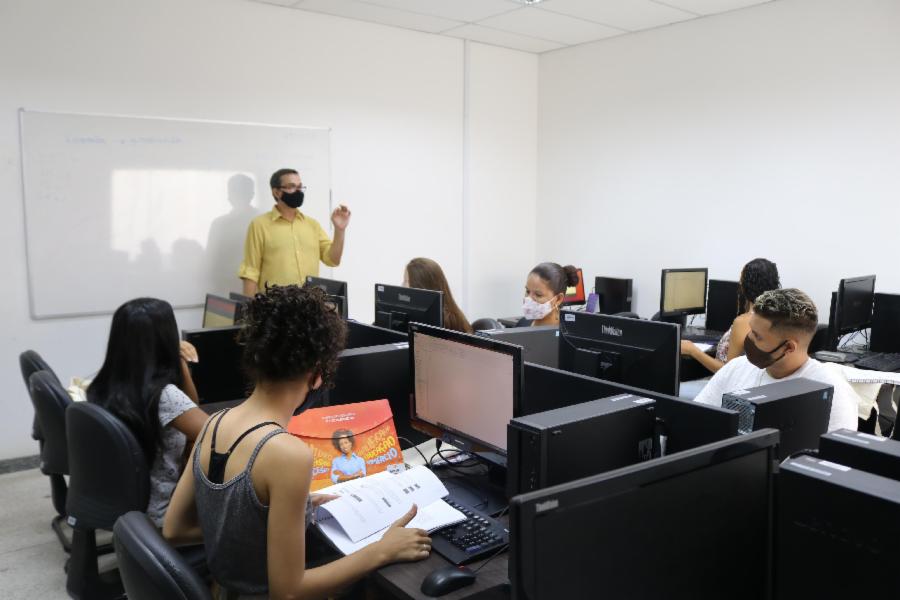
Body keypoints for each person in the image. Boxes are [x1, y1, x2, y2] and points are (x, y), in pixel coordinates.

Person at [164, 285, 429, 599]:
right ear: (318, 374)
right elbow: (288, 592)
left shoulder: (213, 424)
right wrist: (382, 550)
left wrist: (273, 517)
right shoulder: (286, 454)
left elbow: (174, 530)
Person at [87, 298, 208, 527]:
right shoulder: (164, 396)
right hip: (163, 515)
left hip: (127, 506)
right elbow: (215, 433)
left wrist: (178, 361)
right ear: (166, 338)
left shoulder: (104, 385)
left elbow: (190, 405)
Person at [694, 288, 858, 432]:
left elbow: (834, 460)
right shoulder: (736, 368)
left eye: (757, 336)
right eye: (751, 330)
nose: (749, 338)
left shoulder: (833, 393)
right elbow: (697, 418)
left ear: (789, 348)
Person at [238, 168, 352, 296]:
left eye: (300, 187)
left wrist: (340, 230)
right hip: (274, 309)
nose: (298, 191)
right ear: (276, 192)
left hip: (309, 306)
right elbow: (251, 271)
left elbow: (333, 259)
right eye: (292, 186)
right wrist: (248, 311)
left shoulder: (312, 225)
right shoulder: (259, 225)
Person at [681, 258, 781, 374]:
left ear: (745, 285)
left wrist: (693, 350)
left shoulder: (745, 322)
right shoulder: (777, 316)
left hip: (729, 385)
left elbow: (727, 372)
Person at [403, 257, 472, 333]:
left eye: (406, 281)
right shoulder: (421, 315)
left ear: (421, 285)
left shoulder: (444, 320)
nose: (402, 285)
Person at [517, 262, 580, 327]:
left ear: (558, 299)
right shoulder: (522, 324)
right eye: (527, 291)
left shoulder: (568, 334)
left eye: (538, 295)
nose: (528, 299)